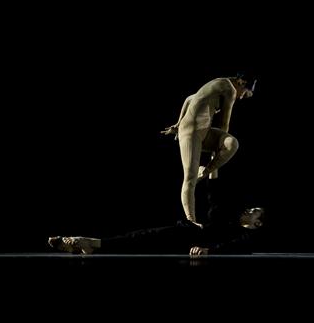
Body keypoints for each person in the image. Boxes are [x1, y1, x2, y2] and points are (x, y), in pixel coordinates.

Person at [160, 73, 256, 225]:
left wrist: (177, 124)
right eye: (244, 94)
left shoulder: (216, 82)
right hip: (191, 132)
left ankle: (204, 172)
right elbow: (224, 125)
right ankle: (191, 220)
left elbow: (189, 99)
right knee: (190, 178)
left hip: (204, 131)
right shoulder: (229, 89)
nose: (241, 98)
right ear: (241, 82)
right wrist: (215, 152)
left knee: (232, 143)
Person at [48, 206, 266, 256]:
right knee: (139, 237)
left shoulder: (246, 236)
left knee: (140, 240)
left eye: (254, 212)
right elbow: (213, 210)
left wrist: (210, 250)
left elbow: (236, 246)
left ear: (258, 224)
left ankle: (88, 243)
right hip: (183, 233)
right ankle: (90, 243)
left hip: (184, 242)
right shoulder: (230, 222)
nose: (249, 210)